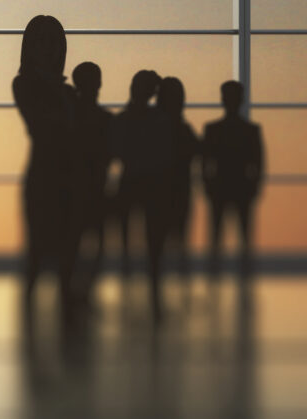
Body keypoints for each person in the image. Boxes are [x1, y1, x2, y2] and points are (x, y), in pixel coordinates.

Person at [12, 17, 81, 334]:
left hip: (67, 174)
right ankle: (30, 316)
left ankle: (66, 311)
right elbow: (43, 124)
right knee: (38, 249)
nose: (48, 49)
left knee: (68, 247)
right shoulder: (26, 84)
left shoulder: (65, 92)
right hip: (44, 175)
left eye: (54, 43)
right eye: (42, 42)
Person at [113, 69, 168, 313]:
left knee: (129, 240)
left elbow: (115, 151)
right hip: (151, 184)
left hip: (131, 182)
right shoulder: (158, 120)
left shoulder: (123, 119)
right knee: (152, 240)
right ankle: (153, 292)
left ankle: (130, 289)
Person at [201, 79, 264, 284]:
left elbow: (205, 162)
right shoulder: (250, 130)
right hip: (241, 186)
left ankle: (215, 274)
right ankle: (244, 274)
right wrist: (254, 186)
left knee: (217, 236)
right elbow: (258, 162)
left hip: (220, 185)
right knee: (243, 236)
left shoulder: (213, 129)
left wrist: (207, 185)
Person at [71, 61, 116, 292]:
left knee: (76, 241)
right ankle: (86, 286)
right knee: (96, 241)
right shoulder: (106, 119)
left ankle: (77, 286)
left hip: (76, 189)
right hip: (95, 187)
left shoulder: (69, 119)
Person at [155, 76, 199, 298]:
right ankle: (181, 290)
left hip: (160, 190)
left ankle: (158, 289)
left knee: (159, 241)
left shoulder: (155, 127)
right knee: (178, 239)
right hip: (179, 189)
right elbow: (197, 152)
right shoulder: (183, 129)